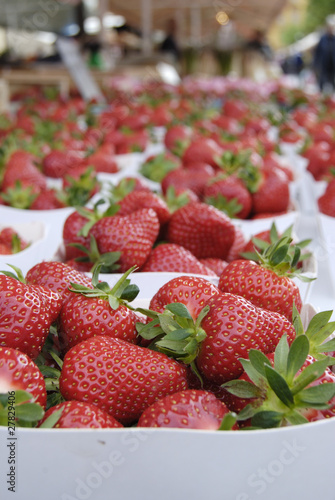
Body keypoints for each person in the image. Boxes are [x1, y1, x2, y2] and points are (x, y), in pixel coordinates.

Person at [313, 18, 335, 92]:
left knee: (332, 81)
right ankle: (321, 94)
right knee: (322, 81)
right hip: (324, 64)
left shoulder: (334, 39)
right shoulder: (323, 39)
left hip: (332, 64)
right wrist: (316, 64)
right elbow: (317, 52)